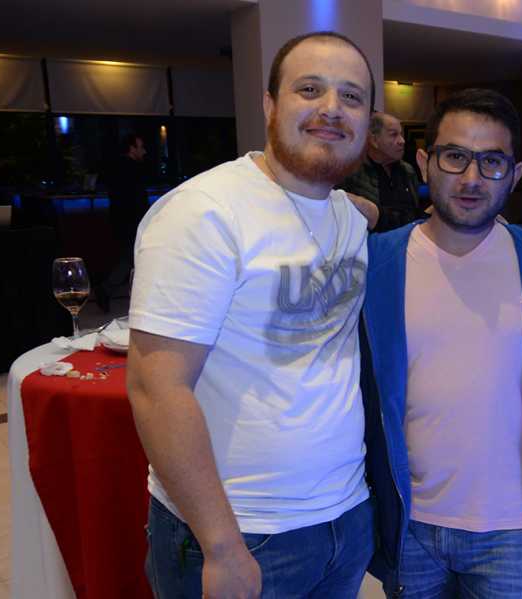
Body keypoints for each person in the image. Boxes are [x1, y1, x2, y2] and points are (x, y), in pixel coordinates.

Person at [127, 31, 381, 598]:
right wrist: (221, 545)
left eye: (351, 96)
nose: (331, 108)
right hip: (240, 531)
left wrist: (367, 207)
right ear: (270, 105)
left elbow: (356, 209)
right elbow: (155, 388)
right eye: (309, 89)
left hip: (345, 515)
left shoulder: (345, 214)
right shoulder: (203, 213)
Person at [361, 88, 522, 597]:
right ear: (424, 162)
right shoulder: (378, 262)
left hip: (513, 525)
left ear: (515, 174)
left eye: (492, 162)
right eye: (455, 157)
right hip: (411, 523)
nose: (472, 178)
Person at [342, 111, 424, 231]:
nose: (402, 141)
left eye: (401, 134)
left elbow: (415, 213)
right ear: (374, 140)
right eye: (393, 135)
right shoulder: (351, 172)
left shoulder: (408, 171)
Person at [97, 133, 148, 311]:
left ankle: (108, 290)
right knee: (132, 258)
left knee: (131, 258)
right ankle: (106, 289)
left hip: (121, 221)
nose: (144, 151)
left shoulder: (116, 167)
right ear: (132, 148)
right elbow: (137, 200)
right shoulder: (132, 169)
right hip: (132, 222)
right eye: (141, 147)